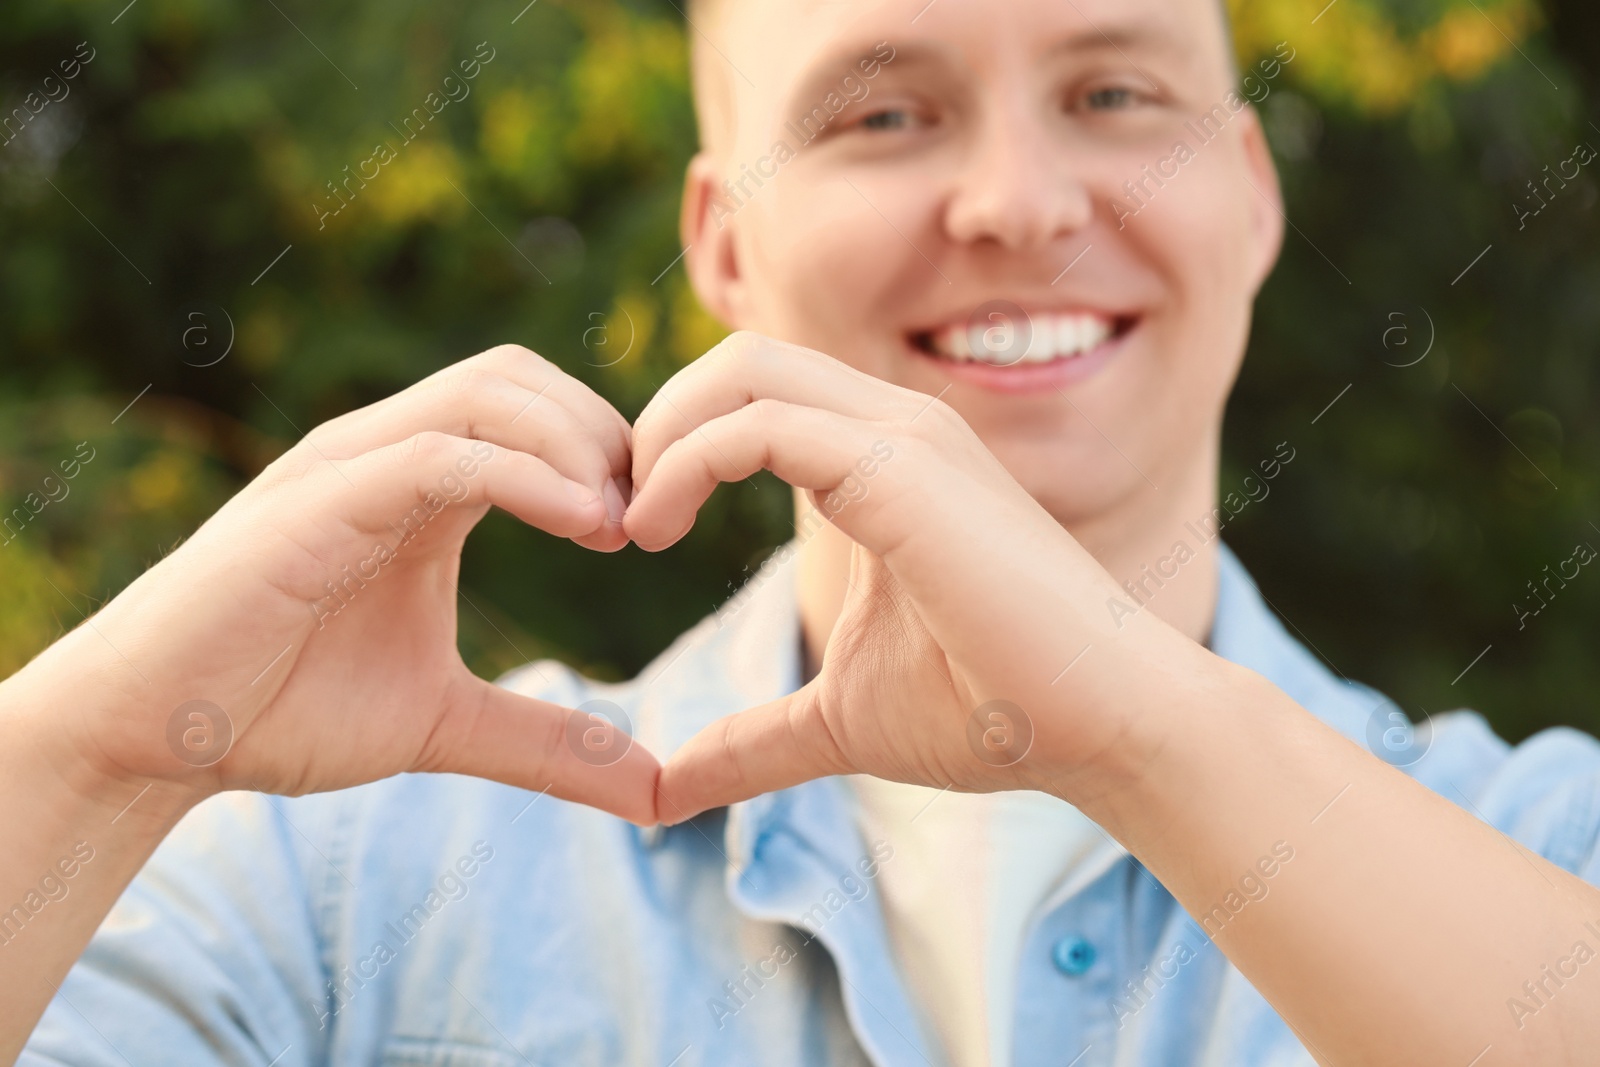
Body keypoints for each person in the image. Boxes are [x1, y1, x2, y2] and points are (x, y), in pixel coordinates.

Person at [5, 0, 1599, 1063]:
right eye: (884, 116)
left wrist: (1141, 731)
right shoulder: (346, 870)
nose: (1020, 204)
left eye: (1114, 95)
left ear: (1251, 195)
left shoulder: (1542, 848)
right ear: (723, 241)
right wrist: (89, 748)